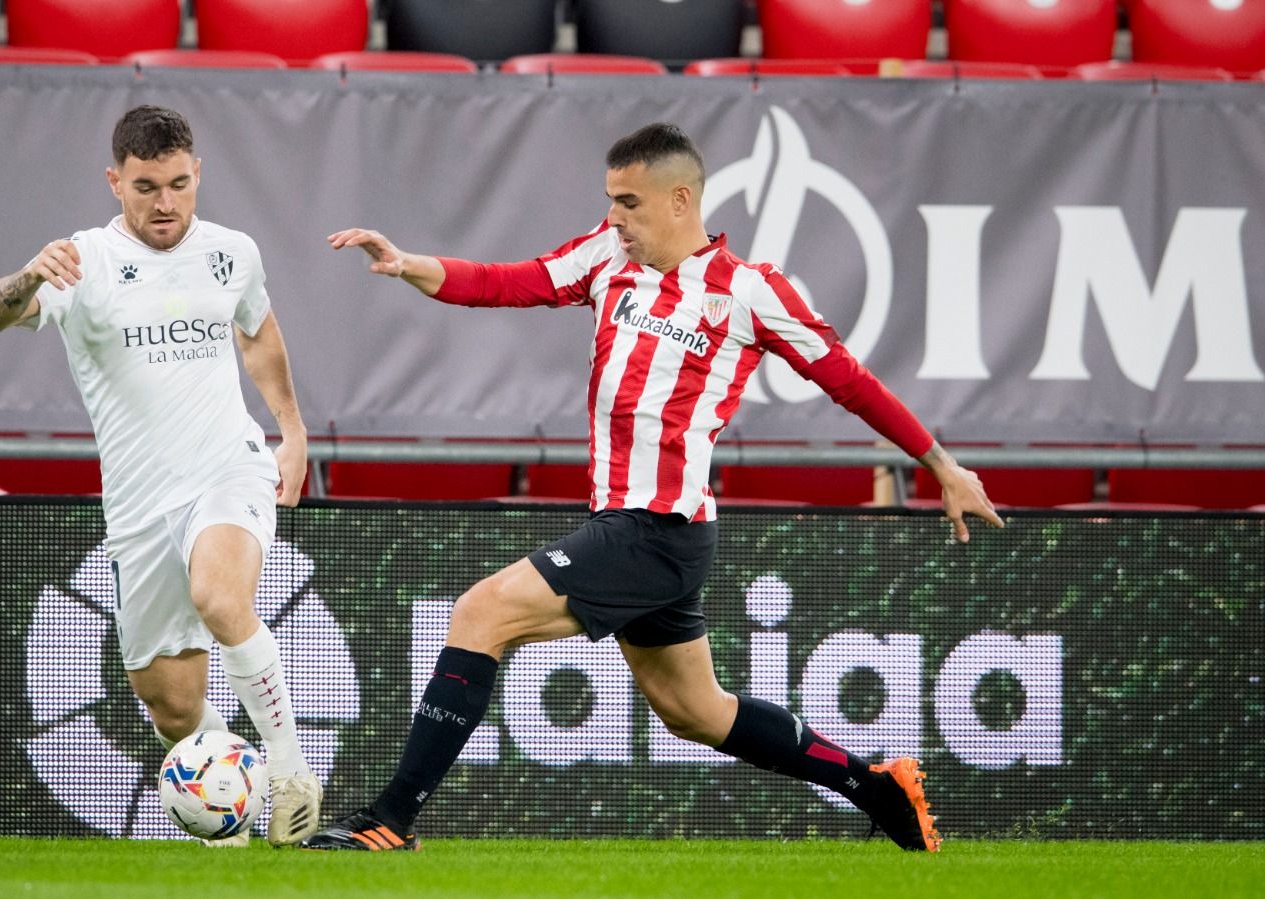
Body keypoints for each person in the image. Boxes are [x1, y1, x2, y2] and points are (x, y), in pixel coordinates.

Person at [303, 122, 1002, 853]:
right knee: (696, 711)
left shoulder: (749, 290)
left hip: (657, 528)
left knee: (482, 613)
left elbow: (849, 382)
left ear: (679, 200)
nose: (614, 219)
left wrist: (942, 466)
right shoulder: (608, 258)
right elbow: (508, 284)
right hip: (640, 529)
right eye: (610, 201)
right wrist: (409, 262)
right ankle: (877, 787)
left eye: (628, 203)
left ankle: (389, 819)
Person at [0, 104, 321, 847]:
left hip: (228, 467)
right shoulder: (80, 260)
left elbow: (257, 333)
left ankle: (291, 772)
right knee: (171, 704)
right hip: (139, 503)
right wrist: (29, 274)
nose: (165, 203)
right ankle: (230, 799)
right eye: (144, 187)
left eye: (177, 184)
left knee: (219, 594)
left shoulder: (233, 252)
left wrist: (290, 430)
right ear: (114, 181)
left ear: (198, 174)